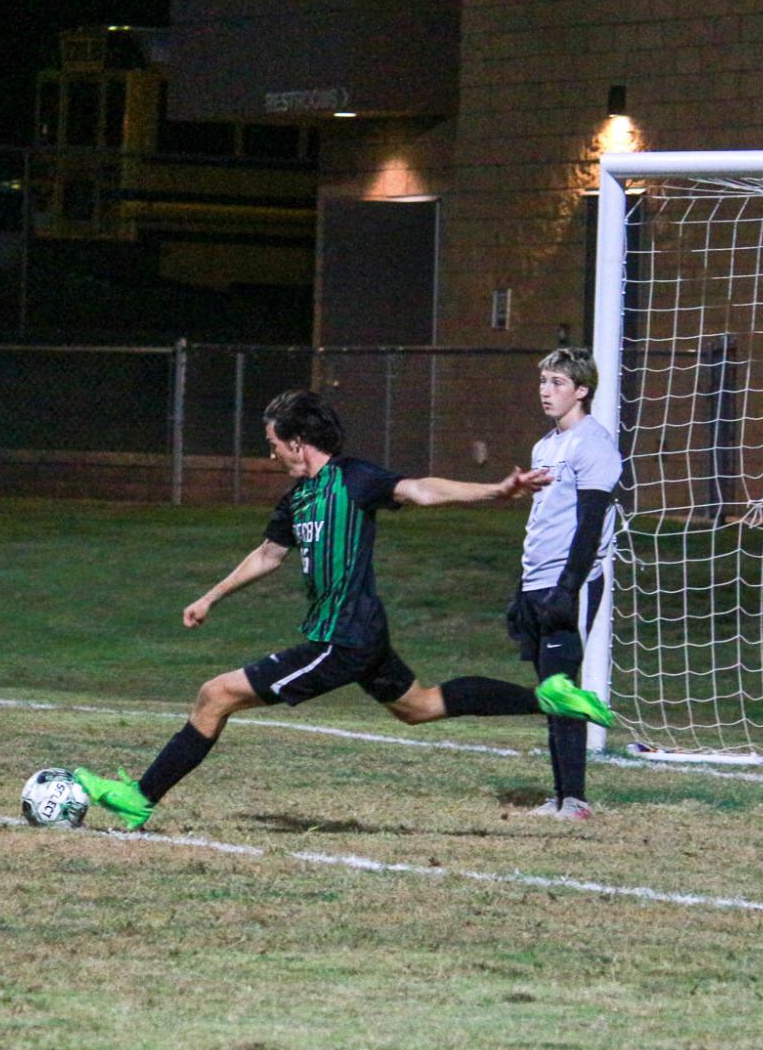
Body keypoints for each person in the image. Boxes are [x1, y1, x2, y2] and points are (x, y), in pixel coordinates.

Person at [74, 388, 613, 831]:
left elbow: (420, 489)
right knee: (419, 706)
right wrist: (211, 596)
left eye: (273, 444)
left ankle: (140, 797)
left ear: (299, 442)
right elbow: (268, 554)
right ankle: (547, 697)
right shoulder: (297, 499)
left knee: (215, 695)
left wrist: (495, 490)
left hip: (342, 639)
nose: (271, 455)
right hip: (360, 635)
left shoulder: (354, 479)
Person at [506, 348, 624, 821]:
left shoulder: (592, 443)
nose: (545, 390)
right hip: (537, 581)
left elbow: (590, 524)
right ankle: (558, 797)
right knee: (548, 689)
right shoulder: (545, 446)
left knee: (561, 687)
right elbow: (543, 520)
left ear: (582, 390)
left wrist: (568, 588)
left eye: (557, 382)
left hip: (566, 583)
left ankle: (574, 800)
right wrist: (523, 588)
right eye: (543, 381)